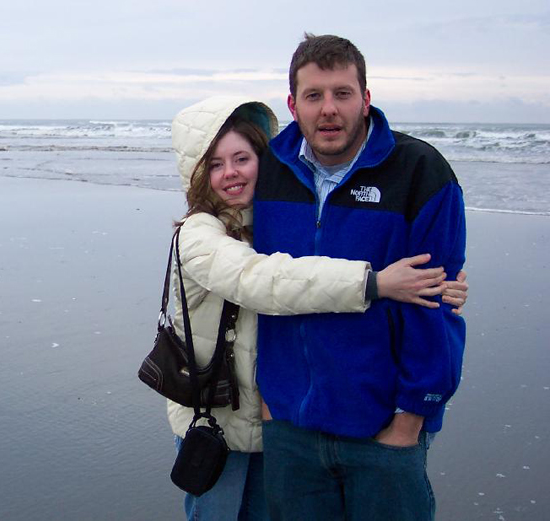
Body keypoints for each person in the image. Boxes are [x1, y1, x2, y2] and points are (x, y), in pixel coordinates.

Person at [167, 95, 468, 521]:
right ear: (197, 175)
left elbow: (319, 260)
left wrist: (438, 285)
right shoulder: (198, 236)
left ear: (264, 159)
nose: (231, 173)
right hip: (220, 423)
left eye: (242, 158)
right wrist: (376, 283)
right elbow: (266, 281)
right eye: (215, 165)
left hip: (277, 423)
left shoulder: (269, 222)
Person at [253, 34, 467, 520]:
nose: (328, 109)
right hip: (289, 429)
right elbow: (239, 266)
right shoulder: (268, 170)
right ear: (292, 104)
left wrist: (409, 420)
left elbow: (438, 305)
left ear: (366, 98)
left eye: (342, 93)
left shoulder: (421, 172)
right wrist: (271, 404)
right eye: (313, 96)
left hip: (383, 433)